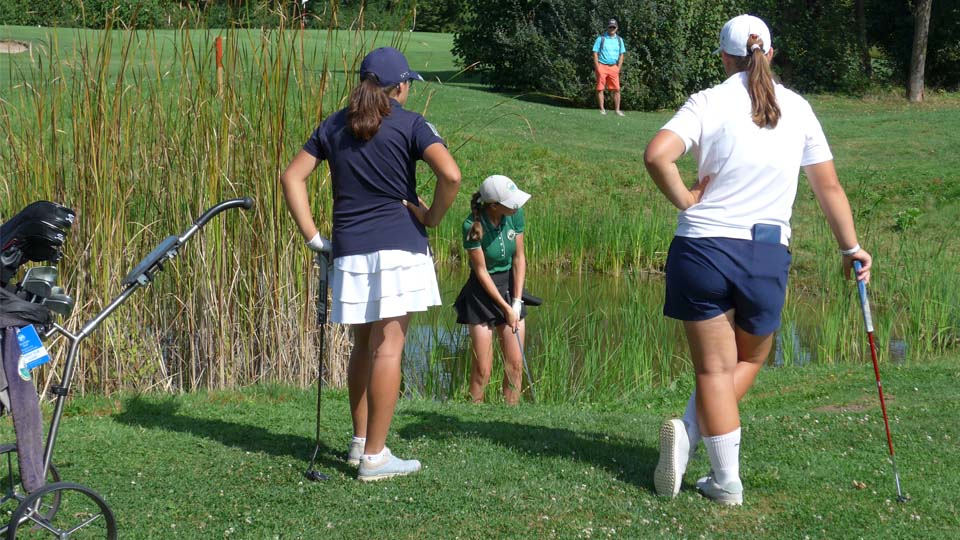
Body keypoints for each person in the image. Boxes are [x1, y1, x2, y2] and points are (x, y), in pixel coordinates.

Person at [643, 14, 872, 505]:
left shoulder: (707, 100)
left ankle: (700, 450)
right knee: (748, 359)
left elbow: (657, 154)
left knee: (713, 372)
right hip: (766, 253)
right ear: (769, 51)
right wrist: (851, 248)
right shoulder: (799, 108)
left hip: (701, 249)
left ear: (725, 58)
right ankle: (706, 459)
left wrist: (686, 199)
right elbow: (827, 186)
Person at [280, 47, 461, 481]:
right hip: (400, 247)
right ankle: (376, 458)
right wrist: (431, 217)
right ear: (400, 86)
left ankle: (360, 442)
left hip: (350, 248)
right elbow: (451, 176)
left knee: (362, 346)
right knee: (389, 347)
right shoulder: (411, 122)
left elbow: (291, 178)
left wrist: (313, 239)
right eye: (407, 85)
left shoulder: (334, 124)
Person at [454, 175, 531, 405]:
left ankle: (509, 420)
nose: (516, 205)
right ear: (494, 205)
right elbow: (481, 272)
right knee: (482, 370)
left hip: (509, 289)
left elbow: (519, 258)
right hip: (482, 295)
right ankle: (473, 418)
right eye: (510, 201)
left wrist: (516, 302)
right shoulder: (472, 226)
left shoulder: (515, 215)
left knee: (515, 365)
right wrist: (505, 307)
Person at [592, 18, 626, 116]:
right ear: (607, 27)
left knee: (617, 89)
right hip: (602, 66)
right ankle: (602, 109)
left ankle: (617, 110)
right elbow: (595, 53)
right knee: (600, 89)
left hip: (613, 67)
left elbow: (622, 54)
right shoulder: (601, 38)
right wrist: (597, 67)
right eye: (610, 27)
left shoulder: (620, 40)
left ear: (616, 28)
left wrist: (618, 68)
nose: (612, 28)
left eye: (613, 27)